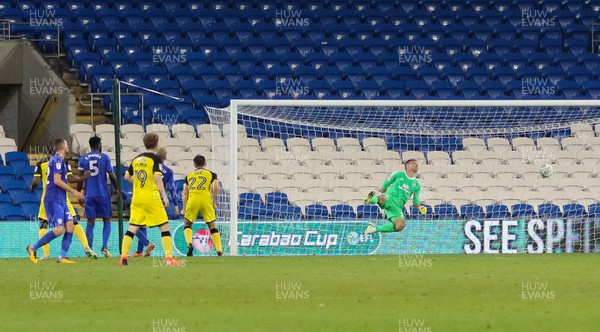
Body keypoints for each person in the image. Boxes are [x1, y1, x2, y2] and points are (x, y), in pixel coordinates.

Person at [118, 133, 180, 266]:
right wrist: (164, 197)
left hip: (137, 199)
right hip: (151, 198)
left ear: (144, 143)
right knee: (164, 226)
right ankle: (169, 258)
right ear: (156, 144)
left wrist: (139, 182)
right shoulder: (155, 160)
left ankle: (123, 257)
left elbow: (127, 177)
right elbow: (158, 179)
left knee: (132, 228)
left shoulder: (136, 159)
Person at [30, 145, 97, 261]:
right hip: (60, 197)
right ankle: (86, 247)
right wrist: (83, 177)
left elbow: (36, 181)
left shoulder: (41, 163)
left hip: (47, 197)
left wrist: (32, 187)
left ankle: (47, 254)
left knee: (44, 223)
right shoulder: (63, 162)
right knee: (71, 223)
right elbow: (70, 178)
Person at [77, 136, 119, 257]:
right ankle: (104, 247)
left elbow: (80, 178)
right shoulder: (105, 157)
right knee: (107, 219)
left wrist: (79, 193)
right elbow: (111, 174)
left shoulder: (83, 159)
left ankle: (89, 249)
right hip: (102, 194)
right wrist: (116, 188)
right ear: (99, 145)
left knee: (90, 221)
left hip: (89, 194)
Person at [363, 159, 427, 235]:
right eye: (414, 164)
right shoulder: (398, 174)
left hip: (397, 207)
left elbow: (415, 199)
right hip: (389, 197)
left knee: (400, 226)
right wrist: (383, 190)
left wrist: (419, 207)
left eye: (417, 164)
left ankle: (373, 229)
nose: (417, 165)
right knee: (382, 198)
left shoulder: (417, 184)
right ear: (408, 166)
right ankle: (370, 199)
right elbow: (387, 182)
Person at [133, 147, 177, 257]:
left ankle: (147, 244)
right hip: (158, 199)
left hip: (144, 196)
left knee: (135, 225)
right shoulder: (169, 171)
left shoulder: (149, 165)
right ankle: (140, 252)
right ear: (166, 158)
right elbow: (172, 188)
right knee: (161, 227)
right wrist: (175, 204)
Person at [180, 155, 222, 257]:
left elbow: (185, 193)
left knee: (187, 224)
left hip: (193, 200)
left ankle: (190, 244)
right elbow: (216, 188)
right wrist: (214, 201)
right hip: (205, 200)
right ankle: (219, 251)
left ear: (194, 164)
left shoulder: (189, 176)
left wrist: (184, 208)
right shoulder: (211, 174)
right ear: (205, 163)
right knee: (212, 225)